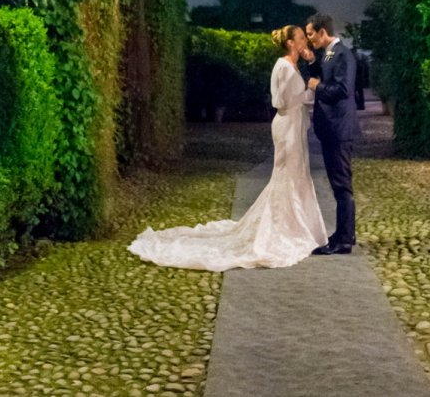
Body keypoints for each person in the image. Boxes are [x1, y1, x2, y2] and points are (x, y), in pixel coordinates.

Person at [128, 24, 328, 271]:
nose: (305, 41)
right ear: (290, 43)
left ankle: (297, 224)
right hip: (287, 127)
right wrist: (309, 90)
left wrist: (308, 85)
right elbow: (280, 100)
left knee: (296, 175)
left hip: (294, 126)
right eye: (300, 38)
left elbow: (297, 96)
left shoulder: (293, 65)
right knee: (287, 175)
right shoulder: (284, 67)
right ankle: (283, 227)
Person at [304, 12, 358, 255]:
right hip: (331, 128)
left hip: (339, 128)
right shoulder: (329, 53)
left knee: (342, 184)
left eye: (311, 34)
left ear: (322, 31)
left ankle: (345, 240)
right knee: (338, 185)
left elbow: (343, 89)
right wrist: (310, 61)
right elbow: (326, 71)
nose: (309, 39)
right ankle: (343, 233)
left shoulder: (343, 54)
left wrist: (318, 87)